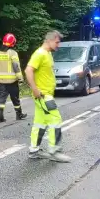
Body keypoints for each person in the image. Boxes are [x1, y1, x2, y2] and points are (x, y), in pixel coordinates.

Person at [24, 31, 71, 162]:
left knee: (40, 123)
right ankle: (54, 151)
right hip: (43, 96)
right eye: (57, 42)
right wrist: (35, 89)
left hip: (45, 95)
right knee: (55, 119)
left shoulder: (48, 53)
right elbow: (28, 70)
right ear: (49, 40)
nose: (58, 45)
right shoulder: (39, 54)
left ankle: (34, 151)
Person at [0, 33, 27, 123]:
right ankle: (19, 114)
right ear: (13, 43)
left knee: (1, 98)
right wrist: (20, 78)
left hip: (2, 81)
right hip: (12, 81)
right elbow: (16, 66)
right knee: (15, 98)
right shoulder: (13, 53)